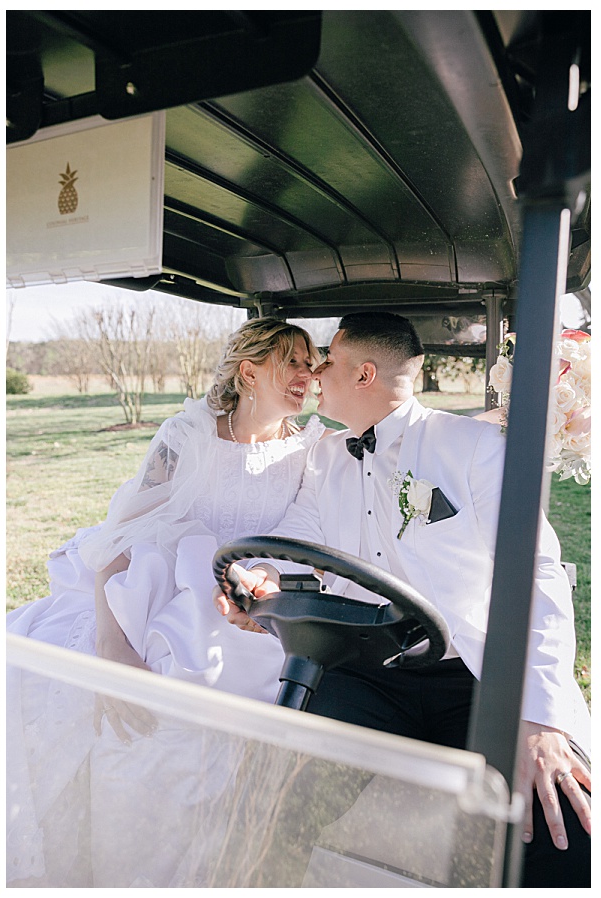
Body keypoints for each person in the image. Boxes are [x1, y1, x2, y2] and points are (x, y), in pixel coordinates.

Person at [217, 310, 591, 886]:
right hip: (363, 669)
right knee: (273, 799)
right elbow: (299, 529)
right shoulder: (326, 455)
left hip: (472, 674)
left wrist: (540, 718)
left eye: (329, 360)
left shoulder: (474, 446)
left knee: (561, 826)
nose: (315, 370)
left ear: (364, 374)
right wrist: (259, 572)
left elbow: (538, 575)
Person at [6, 317, 326, 885]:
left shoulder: (310, 449)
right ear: (249, 370)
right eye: (293, 361)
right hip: (151, 588)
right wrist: (111, 648)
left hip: (247, 607)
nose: (308, 374)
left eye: (311, 362)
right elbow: (116, 539)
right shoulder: (188, 437)